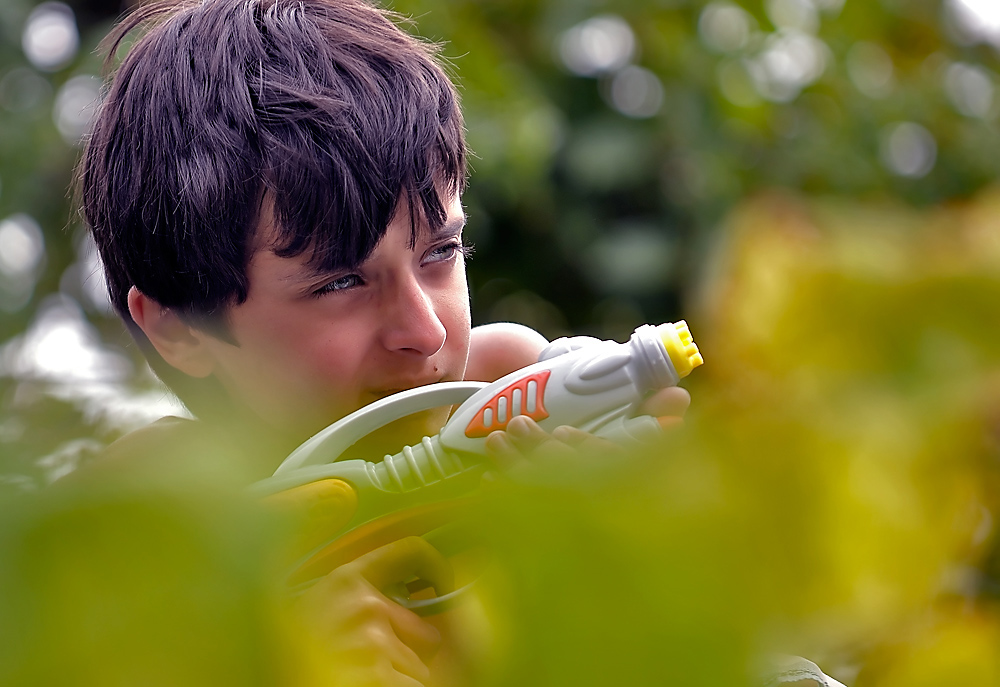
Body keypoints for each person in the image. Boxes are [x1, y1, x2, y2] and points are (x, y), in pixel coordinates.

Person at [74, 0, 689, 684]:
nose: (424, 330)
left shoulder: (514, 388)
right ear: (179, 327)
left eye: (441, 251)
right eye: (340, 282)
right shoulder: (150, 528)